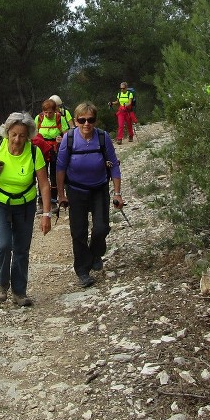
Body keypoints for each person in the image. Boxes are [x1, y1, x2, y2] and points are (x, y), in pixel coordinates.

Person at [0, 112, 53, 306]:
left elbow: (44, 184)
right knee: (3, 244)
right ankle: (2, 285)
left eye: (22, 135)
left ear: (28, 136)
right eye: (14, 134)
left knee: (21, 248)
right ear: (7, 132)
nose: (17, 139)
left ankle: (19, 292)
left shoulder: (34, 153)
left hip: (25, 205)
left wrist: (46, 213)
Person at [56, 102, 122, 288]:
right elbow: (60, 168)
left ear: (95, 120)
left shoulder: (102, 137)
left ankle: (95, 253)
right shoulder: (69, 138)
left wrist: (117, 193)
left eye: (90, 119)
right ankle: (83, 270)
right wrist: (61, 194)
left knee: (101, 228)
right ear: (75, 120)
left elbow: (113, 164)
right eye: (82, 120)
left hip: (99, 188)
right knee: (79, 232)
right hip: (76, 190)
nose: (86, 124)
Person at [34, 98, 70, 204]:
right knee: (41, 175)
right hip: (42, 150)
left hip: (55, 149)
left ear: (55, 111)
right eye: (46, 112)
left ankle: (53, 200)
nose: (48, 115)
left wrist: (62, 139)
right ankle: (41, 201)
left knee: (54, 175)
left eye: (50, 112)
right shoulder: (39, 118)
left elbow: (67, 134)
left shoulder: (59, 118)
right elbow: (34, 134)